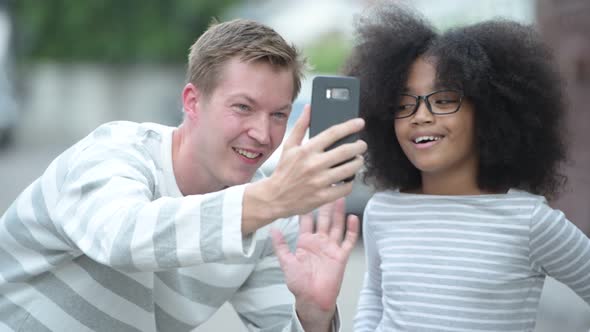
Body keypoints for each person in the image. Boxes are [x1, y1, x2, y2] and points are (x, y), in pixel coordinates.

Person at [0, 19, 368, 332]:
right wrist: (271, 199)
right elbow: (120, 237)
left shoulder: (269, 217)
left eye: (278, 115)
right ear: (193, 101)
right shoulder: (115, 151)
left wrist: (313, 313)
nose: (262, 133)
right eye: (243, 107)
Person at [343, 4, 590, 331]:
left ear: (489, 113)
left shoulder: (529, 221)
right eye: (404, 104)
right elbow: (375, 294)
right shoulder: (383, 210)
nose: (421, 115)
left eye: (444, 100)